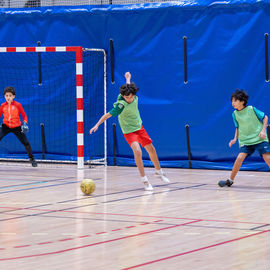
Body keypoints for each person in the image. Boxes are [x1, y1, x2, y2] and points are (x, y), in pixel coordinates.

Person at [90, 72, 170, 191]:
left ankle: (159, 172)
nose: (129, 99)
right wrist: (97, 125)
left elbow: (128, 87)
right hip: (129, 131)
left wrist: (128, 78)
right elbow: (107, 115)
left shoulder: (134, 96)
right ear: (123, 96)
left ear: (134, 94)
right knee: (137, 151)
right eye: (126, 97)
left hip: (139, 128)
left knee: (151, 149)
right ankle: (145, 180)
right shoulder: (120, 106)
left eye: (131, 96)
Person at [218, 89, 270, 187]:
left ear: (242, 101)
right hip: (245, 140)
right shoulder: (234, 114)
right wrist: (234, 139)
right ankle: (230, 180)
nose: (233, 103)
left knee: (267, 157)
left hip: (259, 138)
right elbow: (238, 127)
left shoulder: (251, 109)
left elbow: (265, 117)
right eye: (232, 101)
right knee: (240, 157)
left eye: (235, 100)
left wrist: (263, 130)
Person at [0, 86, 37, 167]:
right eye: (6, 96)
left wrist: (24, 123)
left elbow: (24, 116)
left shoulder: (18, 105)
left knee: (26, 143)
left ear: (13, 96)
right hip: (5, 126)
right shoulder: (2, 106)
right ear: (4, 96)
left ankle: (32, 159)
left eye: (10, 96)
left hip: (16, 127)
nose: (8, 97)